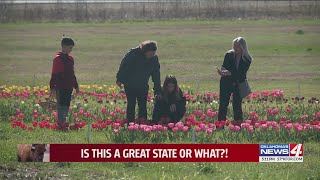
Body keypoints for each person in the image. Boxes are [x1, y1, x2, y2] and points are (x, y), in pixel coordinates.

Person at [116, 40, 161, 124]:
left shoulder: (154, 59)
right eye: (150, 53)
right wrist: (119, 79)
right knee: (131, 105)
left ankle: (142, 124)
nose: (152, 55)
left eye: (153, 53)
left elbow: (156, 75)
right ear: (145, 51)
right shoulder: (133, 54)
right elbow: (123, 65)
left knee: (143, 106)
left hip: (143, 85)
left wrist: (157, 90)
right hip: (130, 84)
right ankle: (130, 124)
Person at [217, 37, 253, 124]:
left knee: (237, 105)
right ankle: (220, 124)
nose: (235, 48)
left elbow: (241, 73)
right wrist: (223, 72)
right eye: (234, 46)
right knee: (223, 104)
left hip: (238, 84)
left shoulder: (247, 59)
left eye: (237, 46)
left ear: (243, 47)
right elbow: (224, 66)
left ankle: (238, 124)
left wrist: (230, 73)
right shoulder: (229, 55)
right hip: (226, 83)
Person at [50, 37, 79, 130]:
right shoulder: (57, 59)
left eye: (71, 48)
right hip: (60, 86)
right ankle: (60, 124)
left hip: (69, 86)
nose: (71, 50)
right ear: (63, 47)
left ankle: (63, 123)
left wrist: (76, 86)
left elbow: (72, 74)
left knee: (66, 105)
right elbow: (54, 74)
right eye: (70, 47)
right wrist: (52, 87)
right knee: (60, 105)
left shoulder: (70, 59)